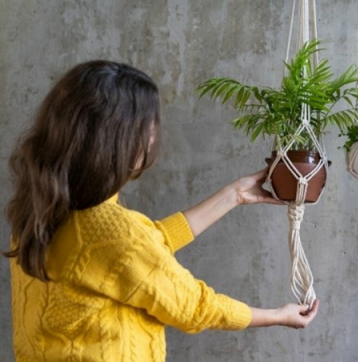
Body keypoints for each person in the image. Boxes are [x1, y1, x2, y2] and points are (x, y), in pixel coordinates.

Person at [4, 60, 319, 361]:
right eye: (148, 127)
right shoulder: (111, 231)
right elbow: (193, 305)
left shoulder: (39, 211)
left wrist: (234, 195)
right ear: (119, 140)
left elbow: (137, 250)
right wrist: (278, 315)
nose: (153, 136)